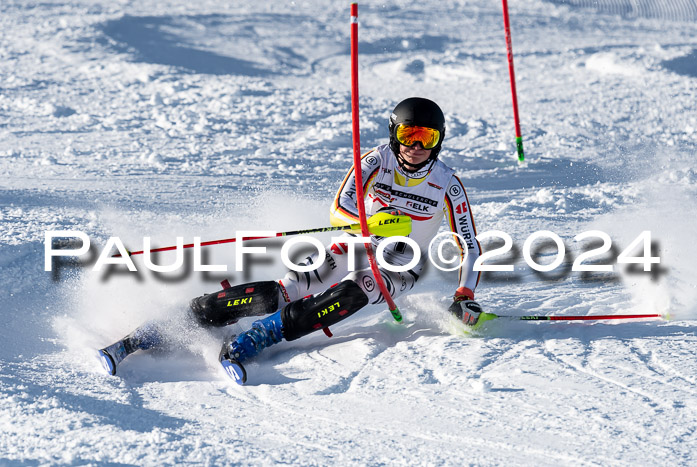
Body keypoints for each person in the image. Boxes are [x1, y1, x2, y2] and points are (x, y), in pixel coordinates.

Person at [97, 97, 483, 384]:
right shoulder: (375, 161)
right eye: (407, 134)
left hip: (399, 265)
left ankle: (260, 337)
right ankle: (169, 324)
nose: (415, 147)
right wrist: (371, 224)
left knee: (356, 290)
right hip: (353, 244)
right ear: (393, 134)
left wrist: (464, 293)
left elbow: (470, 244)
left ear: (439, 140)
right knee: (286, 289)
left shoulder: (446, 183)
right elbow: (339, 209)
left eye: (426, 137)